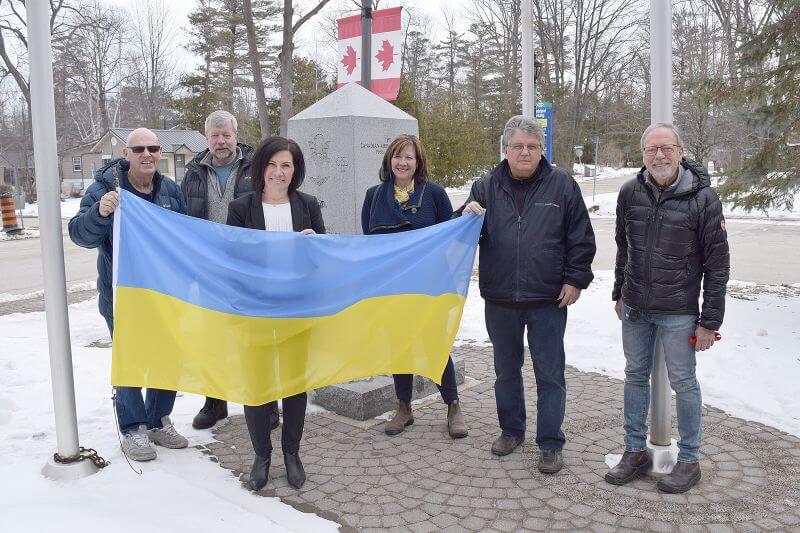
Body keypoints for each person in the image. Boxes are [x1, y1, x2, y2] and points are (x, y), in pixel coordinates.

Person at [460, 115, 596, 474]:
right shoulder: (485, 187)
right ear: (505, 149)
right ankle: (511, 430)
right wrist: (465, 214)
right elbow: (463, 236)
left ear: (542, 151)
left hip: (548, 299)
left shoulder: (562, 185)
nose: (525, 152)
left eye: (532, 146)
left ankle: (550, 442)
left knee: (550, 374)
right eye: (518, 146)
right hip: (500, 298)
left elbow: (580, 237)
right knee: (506, 372)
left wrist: (575, 279)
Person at [605, 123, 729, 494]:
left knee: (684, 382)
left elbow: (717, 264)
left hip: (679, 311)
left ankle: (689, 459)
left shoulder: (703, 199)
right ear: (642, 155)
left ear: (680, 151)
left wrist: (710, 321)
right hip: (636, 308)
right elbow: (623, 247)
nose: (658, 156)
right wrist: (619, 292)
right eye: (651, 150)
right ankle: (634, 451)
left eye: (666, 148)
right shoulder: (629, 192)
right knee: (634, 376)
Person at [68, 128, 189, 461]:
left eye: (153, 148)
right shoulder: (105, 190)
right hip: (123, 295)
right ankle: (133, 428)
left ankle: (158, 420)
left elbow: (185, 237)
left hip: (165, 293)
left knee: (167, 355)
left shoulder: (170, 191)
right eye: (139, 149)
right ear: (126, 155)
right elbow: (80, 234)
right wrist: (100, 212)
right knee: (131, 359)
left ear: (160, 152)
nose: (146, 154)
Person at [226, 136, 325, 491]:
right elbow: (234, 261)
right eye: (272, 164)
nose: (278, 172)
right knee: (258, 385)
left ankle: (292, 454)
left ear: (295, 171)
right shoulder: (241, 207)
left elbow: (322, 260)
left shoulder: (308, 205)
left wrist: (314, 245)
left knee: (294, 386)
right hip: (256, 311)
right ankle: (261, 455)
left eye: (286, 165)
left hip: (297, 310)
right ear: (260, 168)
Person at [361, 134, 468, 440]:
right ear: (388, 160)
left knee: (436, 344)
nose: (402, 162)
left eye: (409, 157)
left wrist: (466, 214)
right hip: (393, 287)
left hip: (429, 286)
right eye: (397, 156)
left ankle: (453, 405)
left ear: (418, 162)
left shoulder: (433, 194)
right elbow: (368, 243)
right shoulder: (374, 195)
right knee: (399, 346)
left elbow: (450, 232)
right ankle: (404, 407)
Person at [180, 110, 278, 432]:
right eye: (214, 135)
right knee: (212, 338)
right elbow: (181, 220)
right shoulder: (193, 173)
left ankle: (266, 403)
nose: (220, 141)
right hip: (209, 269)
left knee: (256, 338)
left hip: (249, 268)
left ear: (236, 135)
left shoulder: (256, 168)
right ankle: (215, 402)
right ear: (206, 138)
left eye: (226, 135)